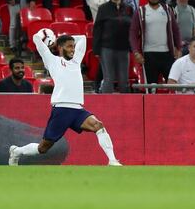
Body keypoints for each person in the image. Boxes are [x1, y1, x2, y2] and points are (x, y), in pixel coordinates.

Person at [9, 30, 121, 166]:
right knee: (43, 148)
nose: (73, 49)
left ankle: (113, 160)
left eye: (73, 46)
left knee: (98, 125)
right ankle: (17, 151)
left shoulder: (76, 60)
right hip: (61, 109)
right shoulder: (52, 60)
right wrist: (52, 39)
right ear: (60, 48)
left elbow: (83, 38)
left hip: (78, 110)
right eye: (69, 46)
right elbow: (36, 39)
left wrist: (64, 38)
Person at [93, 0, 134, 93]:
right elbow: (97, 29)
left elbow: (133, 29)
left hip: (124, 48)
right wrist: (96, 49)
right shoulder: (103, 8)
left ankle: (126, 106)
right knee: (108, 78)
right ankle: (107, 106)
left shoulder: (129, 9)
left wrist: (133, 47)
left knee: (124, 79)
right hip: (107, 48)